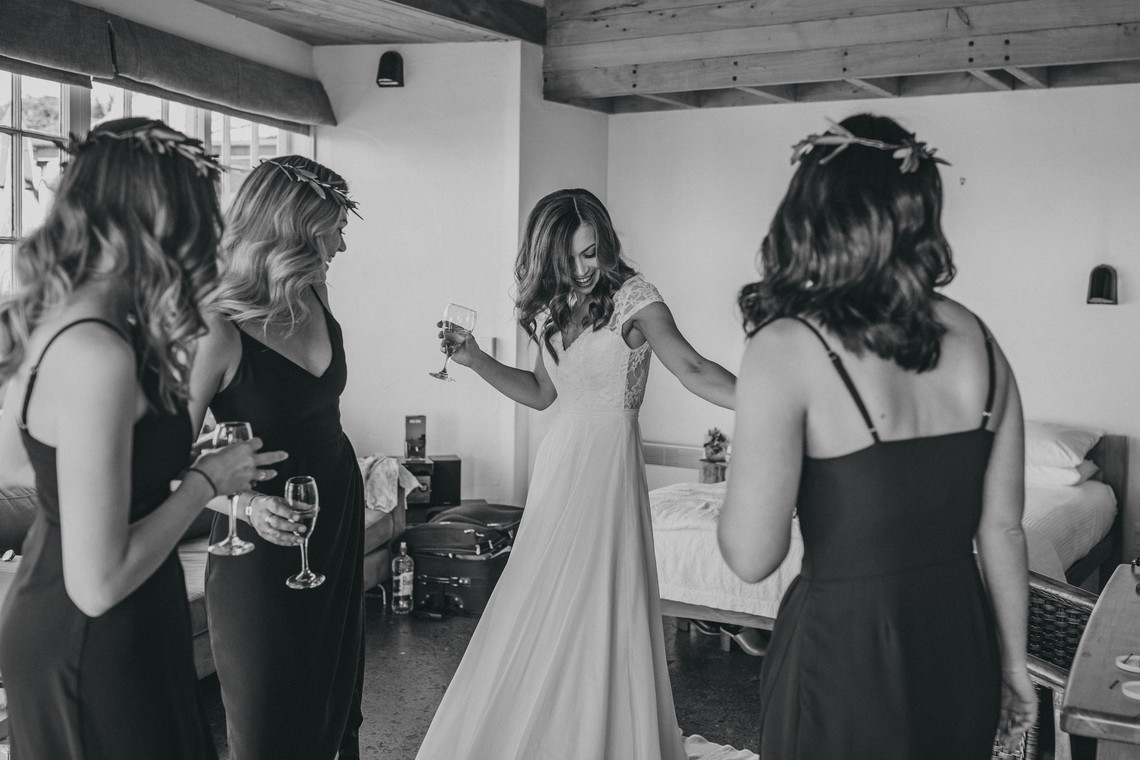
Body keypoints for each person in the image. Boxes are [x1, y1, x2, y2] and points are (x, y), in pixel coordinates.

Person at [718, 114, 1036, 759]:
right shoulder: (979, 339)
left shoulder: (788, 346)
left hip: (845, 654)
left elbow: (752, 557)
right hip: (960, 646)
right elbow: (1003, 530)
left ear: (813, 212)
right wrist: (1012, 666)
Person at [416, 188, 742, 760]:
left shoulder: (636, 299)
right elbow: (543, 393)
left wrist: (771, 402)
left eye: (591, 252)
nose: (584, 269)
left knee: (598, 601)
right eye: (570, 259)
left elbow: (692, 367)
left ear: (606, 242)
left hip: (609, 469)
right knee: (539, 597)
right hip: (560, 465)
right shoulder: (549, 308)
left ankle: (599, 733)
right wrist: (474, 360)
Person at [0, 118, 286, 760]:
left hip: (65, 609)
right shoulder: (100, 354)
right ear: (152, 223)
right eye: (196, 218)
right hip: (97, 630)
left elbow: (18, 461)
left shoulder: (53, 319)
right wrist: (206, 482)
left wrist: (145, 468)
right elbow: (98, 583)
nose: (207, 238)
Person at [187, 155, 366, 760]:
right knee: (268, 724)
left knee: (334, 706)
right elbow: (162, 461)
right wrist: (248, 507)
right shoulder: (216, 328)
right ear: (295, 230)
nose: (342, 245)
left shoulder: (315, 291)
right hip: (257, 544)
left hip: (334, 517)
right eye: (334, 230)